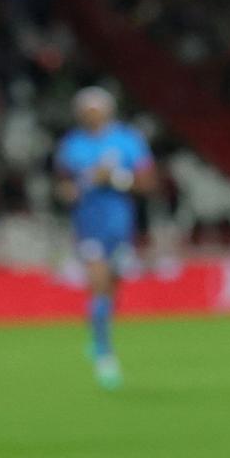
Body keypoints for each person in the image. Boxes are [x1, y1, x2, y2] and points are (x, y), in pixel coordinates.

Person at [54, 87, 155, 389]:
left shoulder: (128, 141)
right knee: (98, 281)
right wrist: (73, 189)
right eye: (86, 111)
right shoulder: (72, 145)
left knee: (111, 285)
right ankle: (105, 353)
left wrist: (114, 178)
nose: (91, 115)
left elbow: (147, 183)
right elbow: (63, 186)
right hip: (89, 224)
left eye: (96, 110)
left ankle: (99, 330)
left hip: (121, 224)